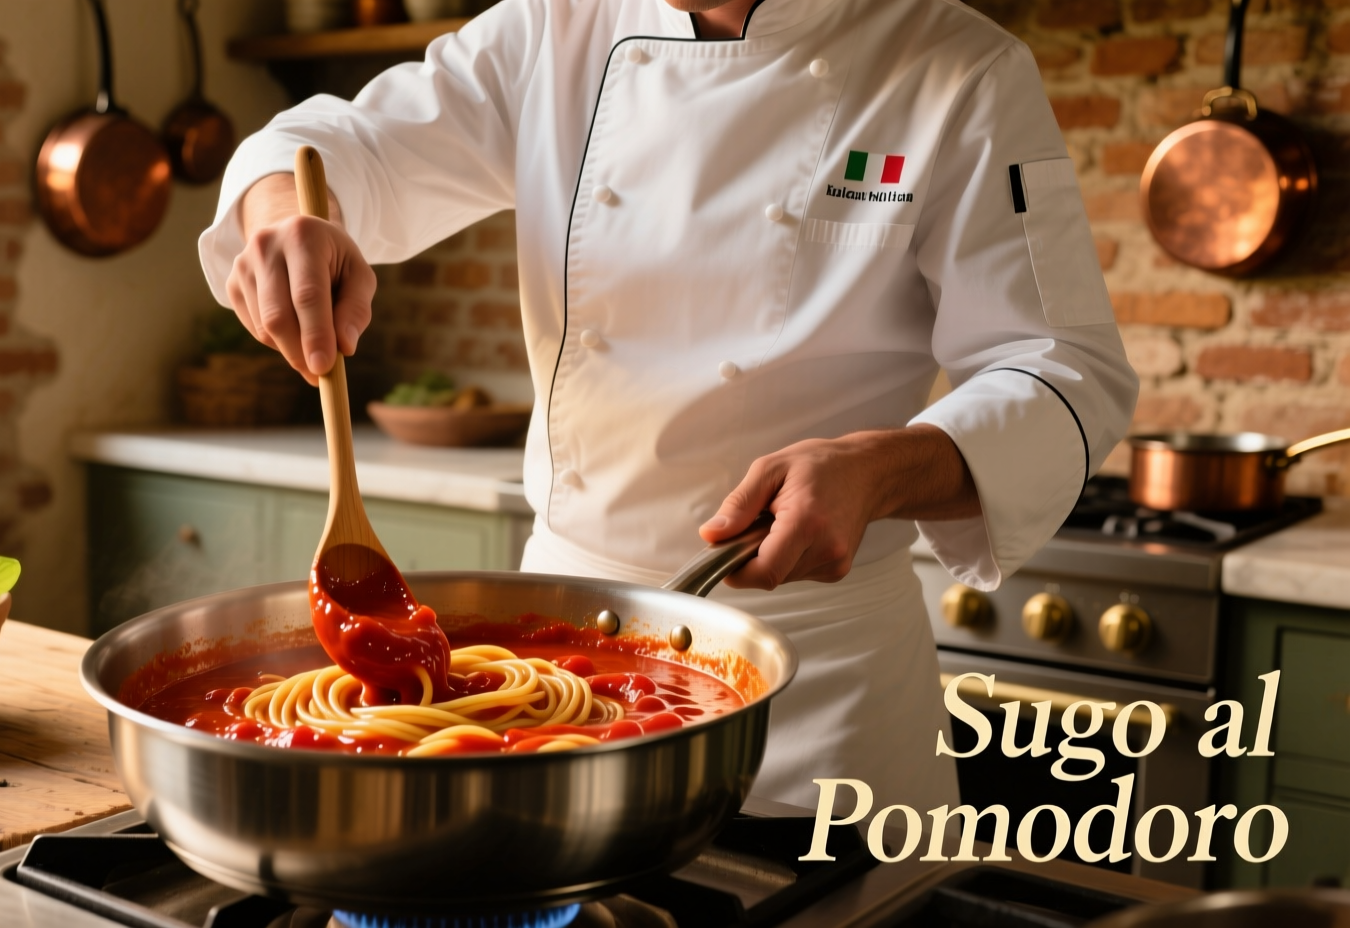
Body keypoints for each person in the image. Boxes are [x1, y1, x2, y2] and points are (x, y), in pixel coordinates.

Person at [198, 0, 1138, 812]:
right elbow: (329, 148)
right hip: (554, 669)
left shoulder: (958, 67)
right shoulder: (553, 28)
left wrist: (881, 468)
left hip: (818, 692)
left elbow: (1064, 369)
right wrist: (282, 215)